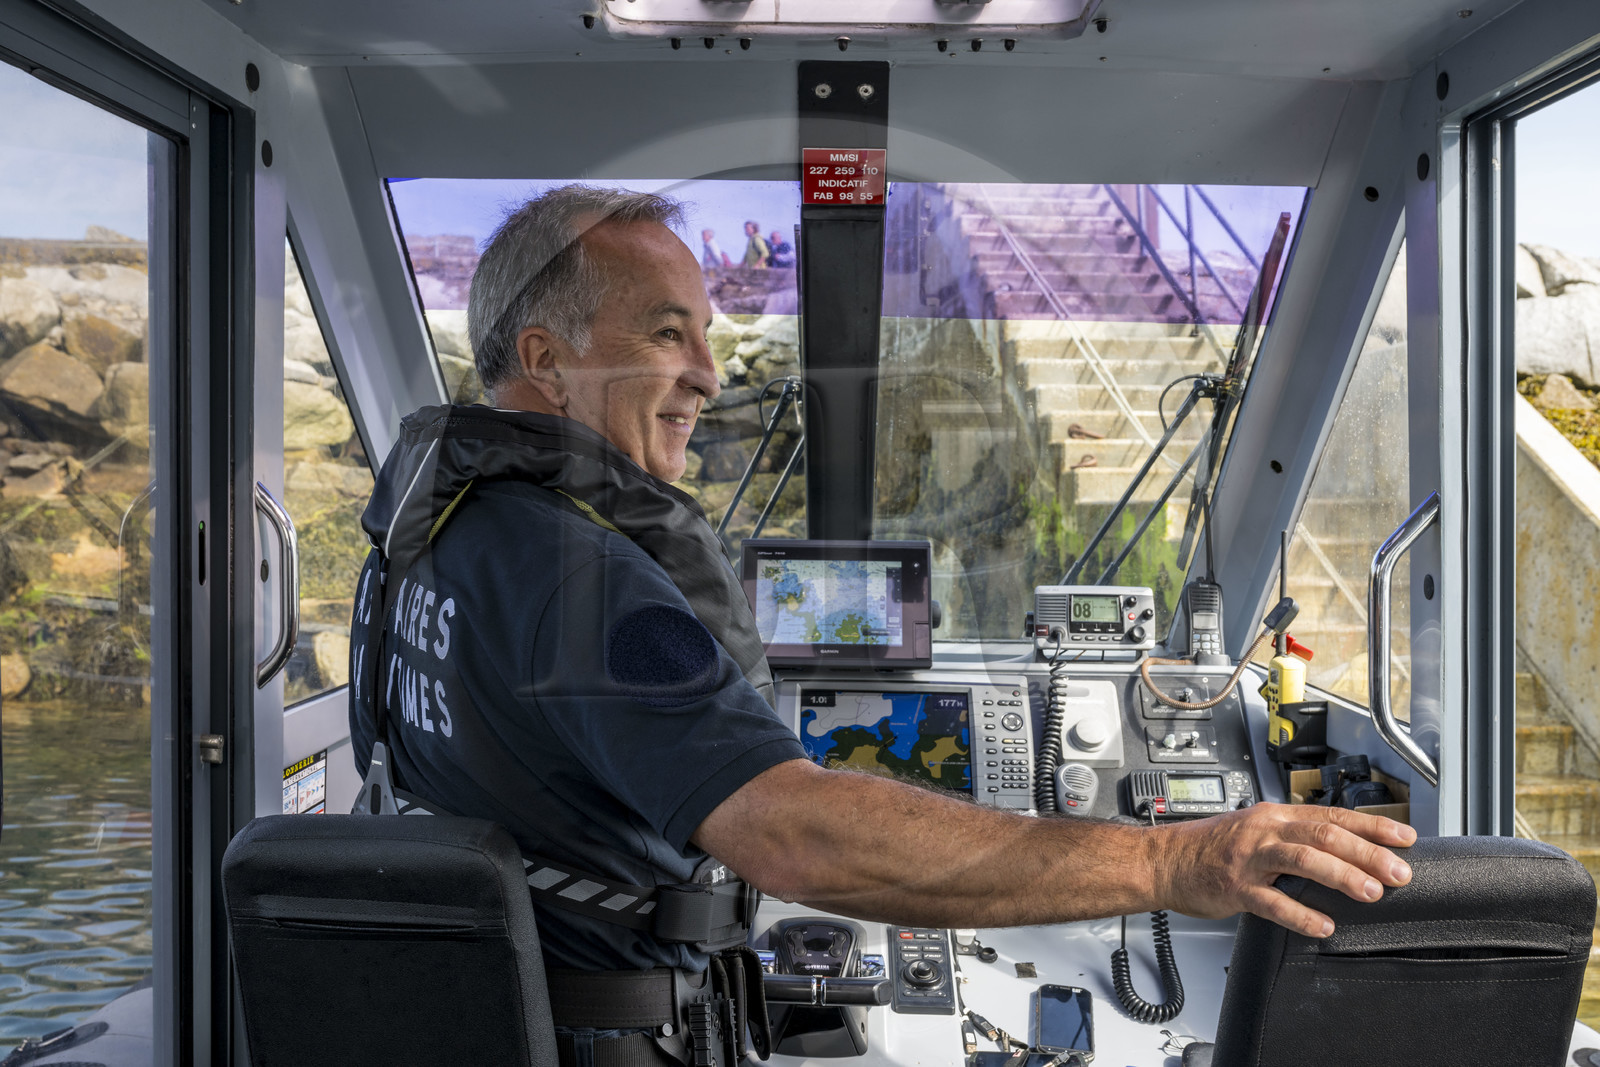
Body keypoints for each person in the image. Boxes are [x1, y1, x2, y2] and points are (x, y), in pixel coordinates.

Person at [349, 184, 1415, 1066]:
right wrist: (1170, 865)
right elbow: (792, 827)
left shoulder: (441, 527)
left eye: (706, 335)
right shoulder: (584, 579)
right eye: (665, 331)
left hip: (476, 1010)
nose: (709, 375)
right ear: (546, 355)